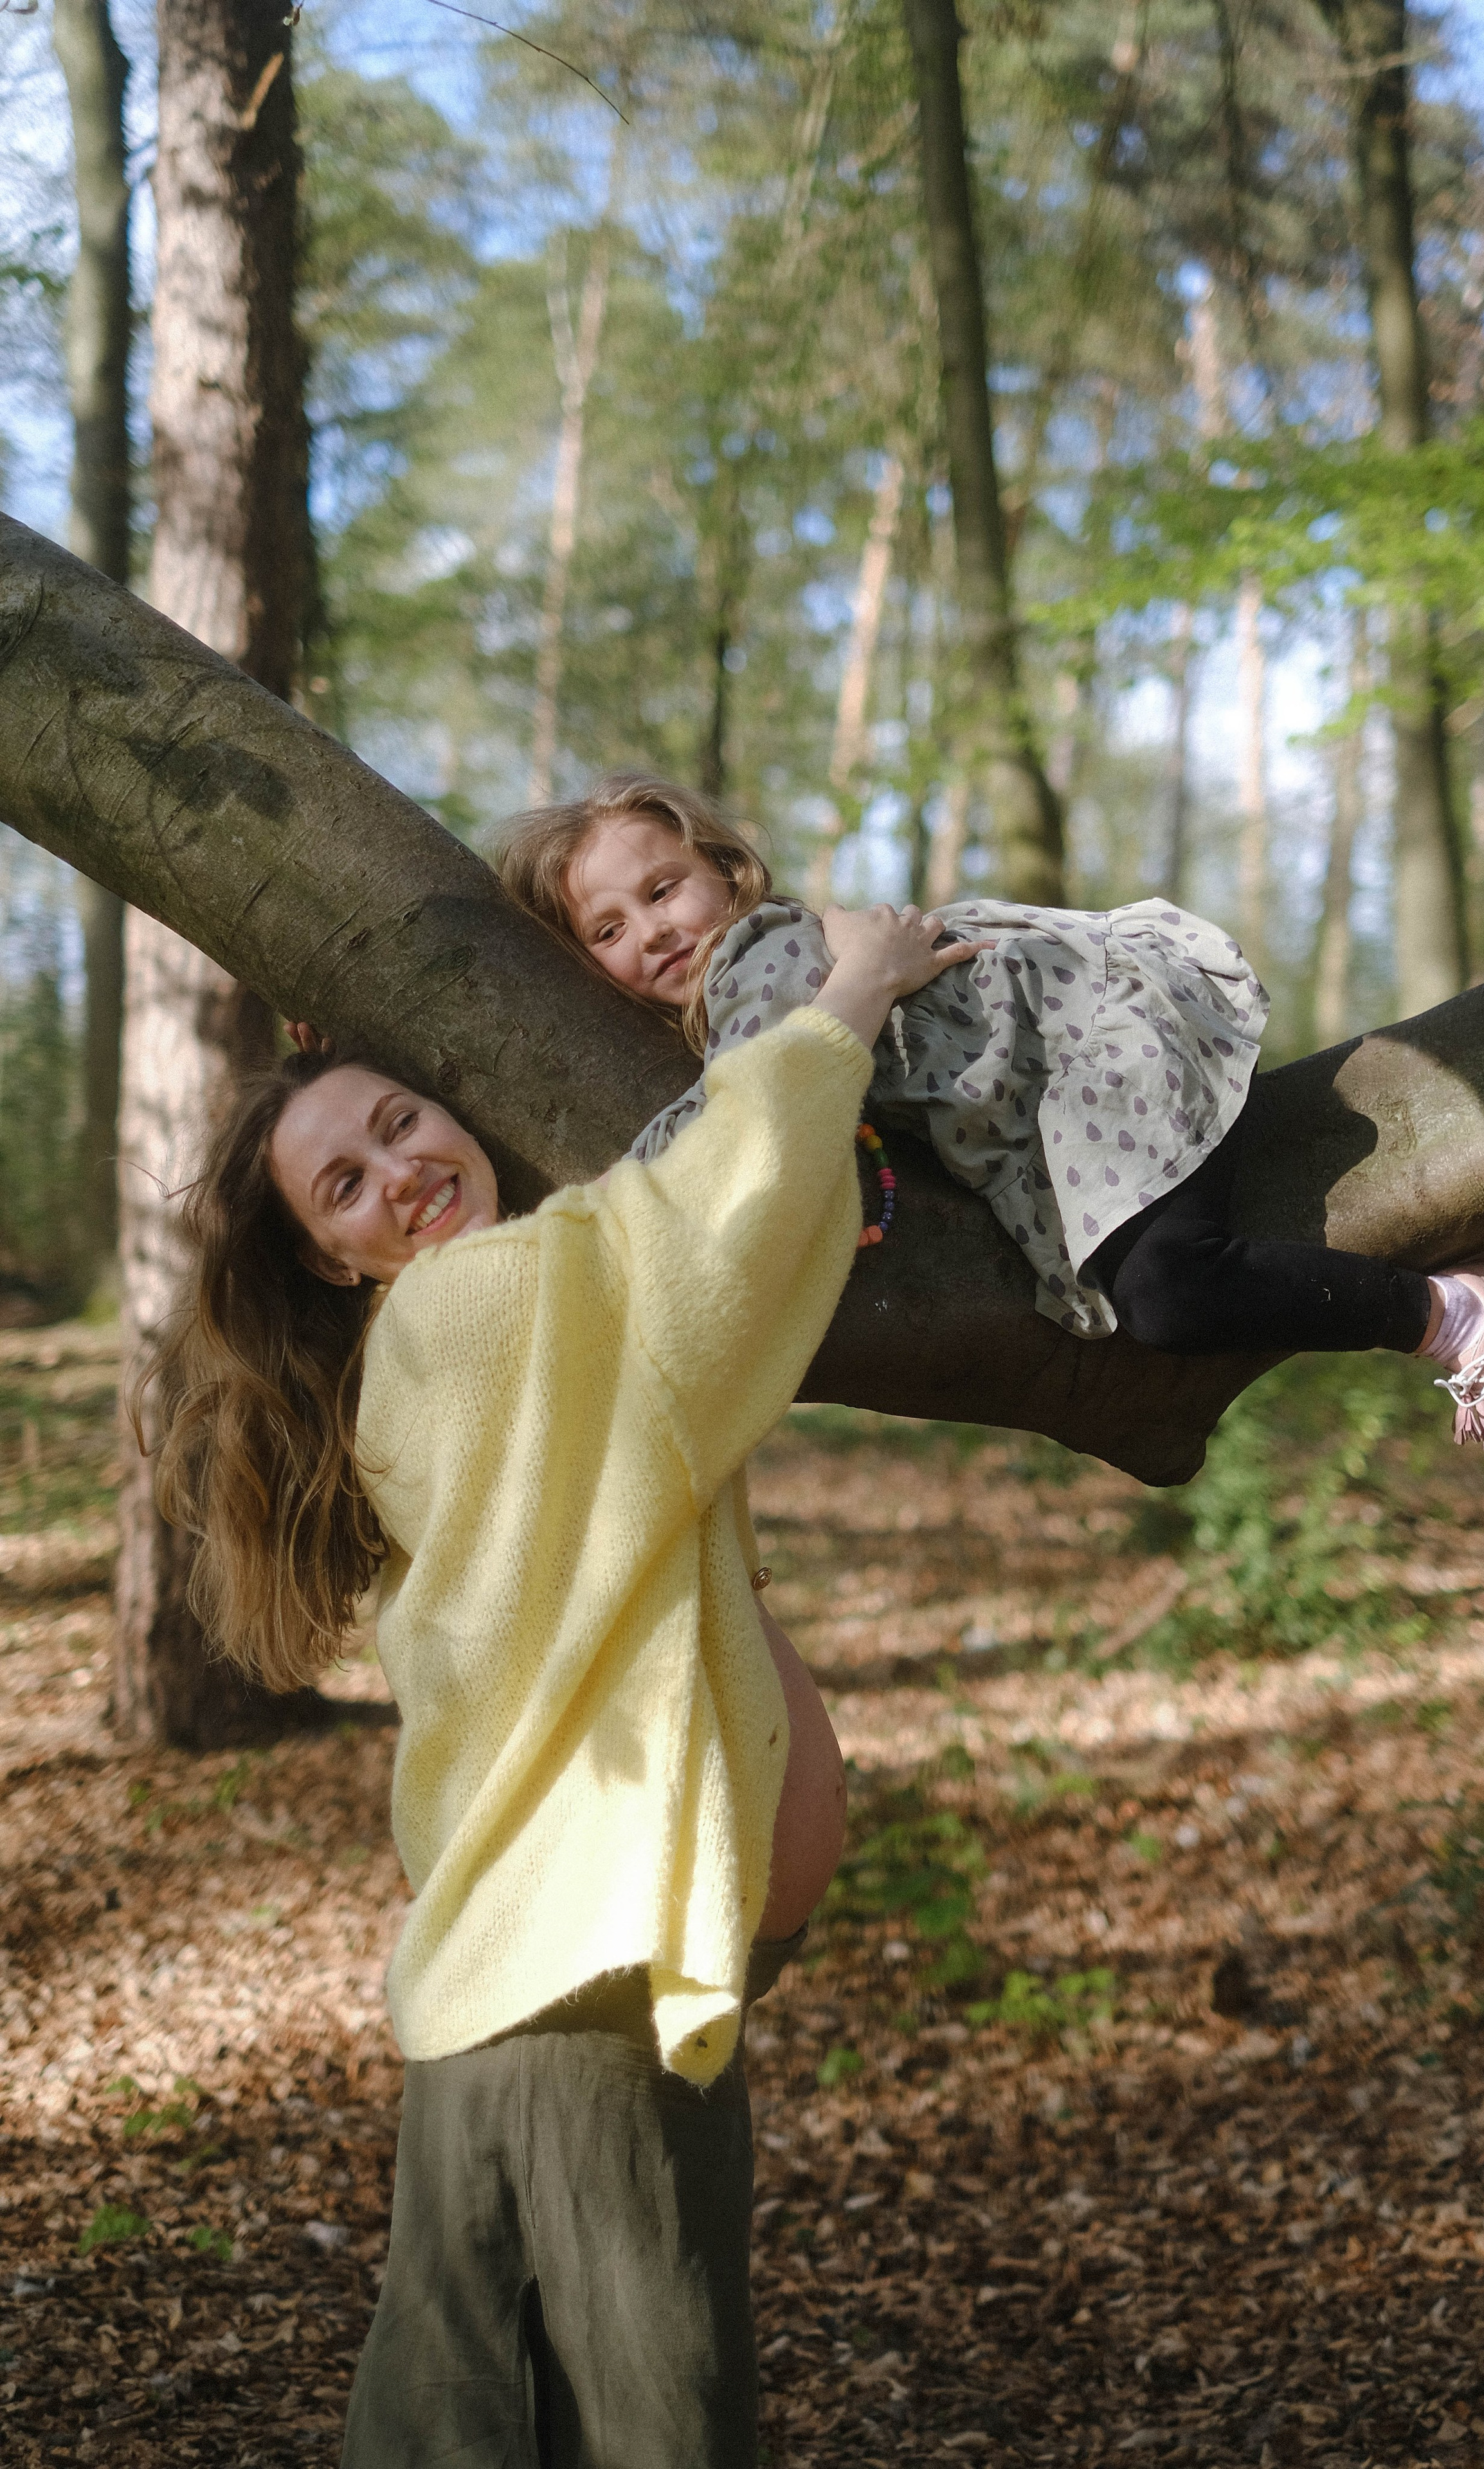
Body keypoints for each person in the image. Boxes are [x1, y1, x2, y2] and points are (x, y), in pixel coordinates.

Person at [141, 900, 984, 2466]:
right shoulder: (475, 1308)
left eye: (402, 1123)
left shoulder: (458, 1344)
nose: (403, 1172)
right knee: (637, 2400)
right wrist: (845, 1002)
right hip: (574, 1970)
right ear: (335, 1260)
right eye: (350, 1184)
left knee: (491, 2378)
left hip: (558, 1967)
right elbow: (695, 1244)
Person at [496, 770, 1484, 1485]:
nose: (653, 930)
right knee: (1154, 1293)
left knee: (1168, 1294)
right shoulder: (755, 981)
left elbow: (744, 1116)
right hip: (1074, 1086)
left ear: (725, 875)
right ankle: (1459, 1266)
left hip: (1098, 1062)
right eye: (607, 926)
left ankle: (1451, 1314)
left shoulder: (763, 958)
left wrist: (607, 1195)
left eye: (665, 888)